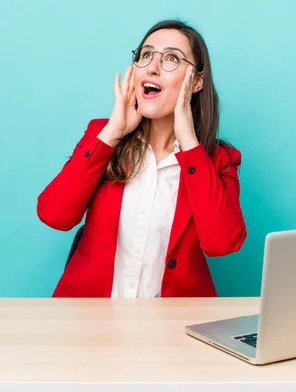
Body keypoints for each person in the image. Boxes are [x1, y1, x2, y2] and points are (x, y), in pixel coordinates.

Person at [37, 19, 247, 298]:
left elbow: (222, 243)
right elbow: (54, 215)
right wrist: (112, 132)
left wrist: (189, 144)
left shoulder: (218, 159)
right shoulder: (102, 136)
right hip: (90, 323)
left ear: (197, 81)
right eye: (146, 55)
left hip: (173, 328)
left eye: (172, 58)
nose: (152, 66)